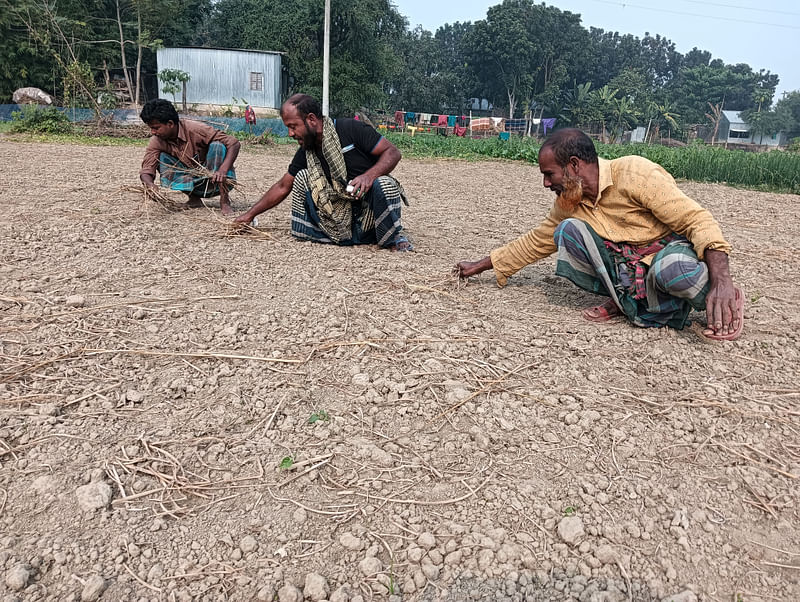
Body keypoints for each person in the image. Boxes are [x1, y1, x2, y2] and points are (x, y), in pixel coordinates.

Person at [456, 128, 744, 340]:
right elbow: (535, 241)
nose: (545, 183)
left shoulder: (634, 173)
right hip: (627, 273)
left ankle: (725, 302)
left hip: (665, 256)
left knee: (673, 270)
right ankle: (625, 301)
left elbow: (698, 220)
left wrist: (723, 281)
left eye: (549, 174)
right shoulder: (569, 201)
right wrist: (480, 266)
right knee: (568, 231)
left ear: (573, 165)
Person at [233, 94, 412, 250]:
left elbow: (393, 153)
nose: (290, 133)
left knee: (384, 184)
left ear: (311, 119)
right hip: (337, 220)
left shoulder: (350, 129)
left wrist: (369, 176)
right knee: (302, 177)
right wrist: (249, 215)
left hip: (368, 218)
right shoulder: (307, 150)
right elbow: (282, 186)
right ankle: (325, 235)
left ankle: (391, 238)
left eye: (293, 126)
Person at [139, 99, 240, 216]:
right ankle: (194, 199)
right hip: (190, 180)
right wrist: (150, 185)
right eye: (151, 128)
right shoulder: (157, 141)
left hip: (214, 178)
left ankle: (225, 200)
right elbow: (146, 170)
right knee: (162, 158)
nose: (153, 132)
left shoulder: (195, 129)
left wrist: (223, 169)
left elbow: (233, 143)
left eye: (156, 128)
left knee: (218, 145)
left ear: (170, 124)